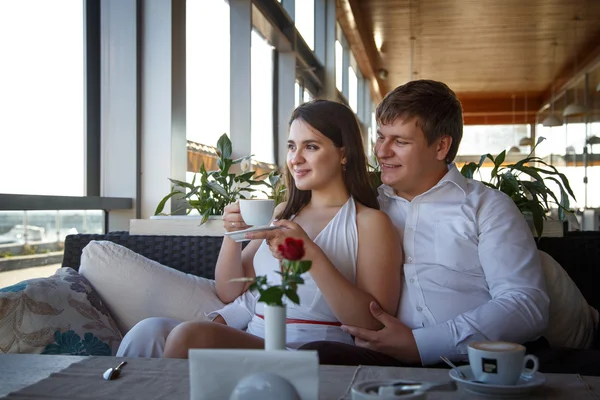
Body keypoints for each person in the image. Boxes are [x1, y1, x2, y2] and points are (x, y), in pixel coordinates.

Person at [116, 100, 402, 358]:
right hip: (255, 337)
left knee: (191, 336)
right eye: (292, 146)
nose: (296, 158)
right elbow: (228, 291)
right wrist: (233, 235)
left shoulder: (369, 223)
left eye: (310, 146)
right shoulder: (282, 213)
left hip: (309, 350)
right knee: (148, 330)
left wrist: (309, 256)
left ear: (344, 153)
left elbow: (374, 322)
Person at [298, 79, 550, 367]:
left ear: (441, 146)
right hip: (378, 357)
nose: (382, 152)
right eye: (380, 137)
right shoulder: (362, 205)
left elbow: (526, 304)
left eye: (400, 141)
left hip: (478, 362)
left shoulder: (487, 207)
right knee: (315, 356)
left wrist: (423, 344)